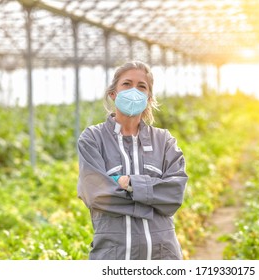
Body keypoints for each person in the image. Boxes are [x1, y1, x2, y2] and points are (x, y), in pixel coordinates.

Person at [77, 61, 188, 260]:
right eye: (127, 84)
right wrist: (152, 199)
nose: (134, 90)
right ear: (113, 93)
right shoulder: (93, 139)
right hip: (114, 255)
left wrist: (128, 183)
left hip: (163, 255)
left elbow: (174, 195)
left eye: (141, 86)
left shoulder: (164, 140)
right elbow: (95, 194)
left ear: (148, 98)